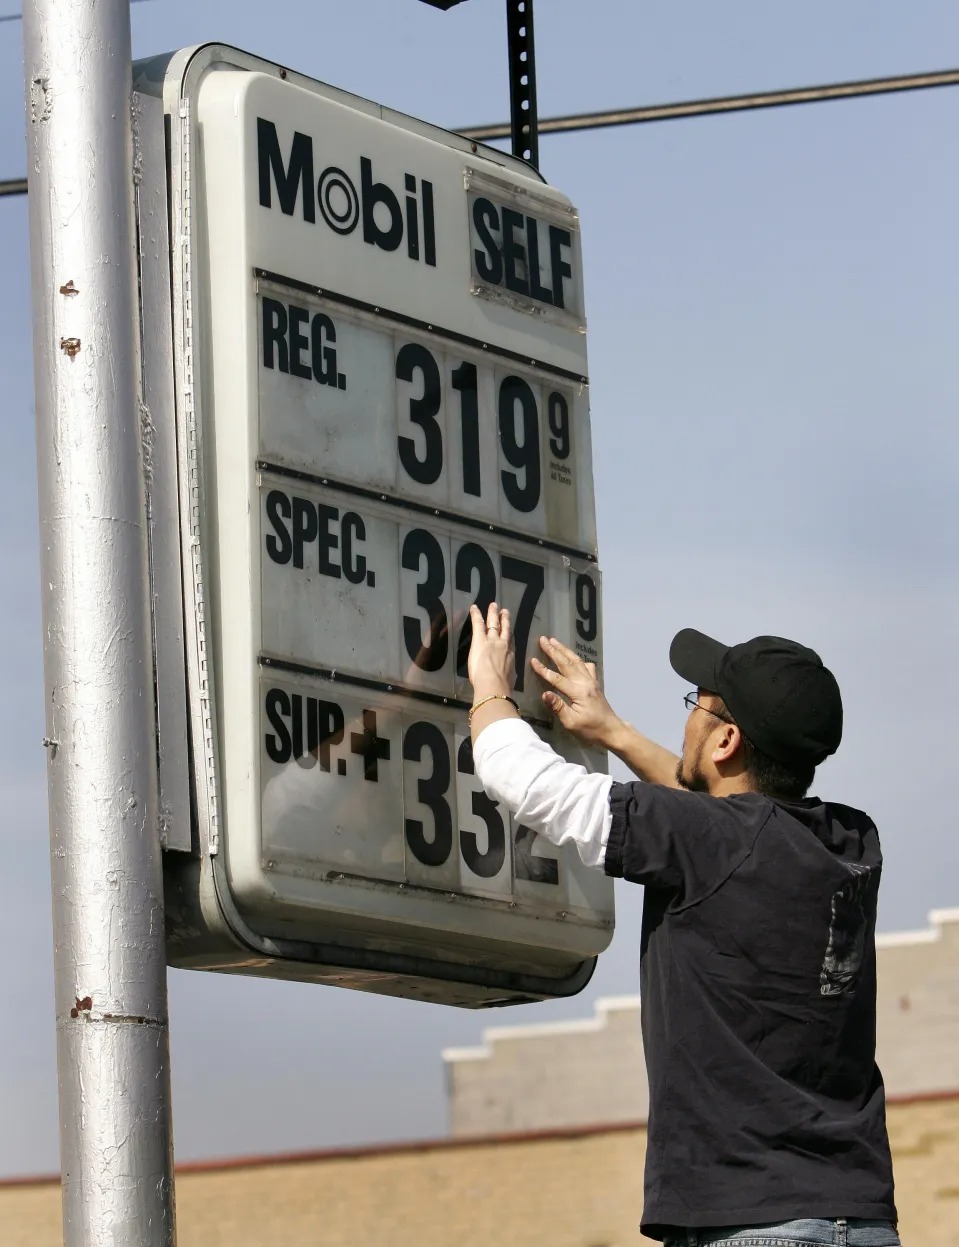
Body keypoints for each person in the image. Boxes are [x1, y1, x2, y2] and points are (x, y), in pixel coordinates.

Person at [466, 602, 899, 1247]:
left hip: (753, 1225)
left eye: (700, 700)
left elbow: (528, 783)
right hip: (859, 1220)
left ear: (726, 740)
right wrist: (613, 732)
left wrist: (489, 690)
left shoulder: (716, 841)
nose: (689, 709)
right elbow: (718, 809)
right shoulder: (851, 843)